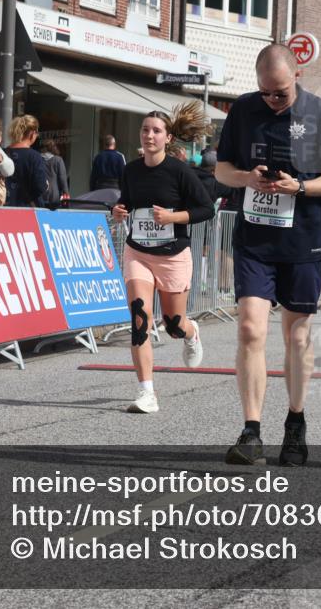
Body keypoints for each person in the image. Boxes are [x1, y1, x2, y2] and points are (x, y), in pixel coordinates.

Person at [214, 44, 321, 467]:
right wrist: (245, 178)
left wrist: (301, 187)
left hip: (304, 240)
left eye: (281, 93)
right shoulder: (243, 111)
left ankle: (295, 420)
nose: (273, 100)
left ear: (297, 77)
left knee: (296, 335)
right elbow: (222, 169)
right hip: (255, 239)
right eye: (266, 92)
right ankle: (251, 431)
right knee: (251, 330)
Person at [111, 102, 215, 413]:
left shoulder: (180, 171)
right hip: (138, 252)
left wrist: (173, 218)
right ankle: (147, 393)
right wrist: (117, 210)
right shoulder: (130, 169)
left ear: (168, 138)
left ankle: (191, 332)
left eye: (156, 131)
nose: (149, 135)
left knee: (173, 325)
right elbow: (126, 202)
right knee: (140, 319)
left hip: (172, 256)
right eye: (145, 130)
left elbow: (206, 209)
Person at [4, 115, 48, 208]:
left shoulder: (3, 153)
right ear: (32, 134)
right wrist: (46, 185)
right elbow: (40, 187)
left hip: (5, 207)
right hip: (29, 210)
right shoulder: (35, 157)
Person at [40, 139, 69, 206]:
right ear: (54, 148)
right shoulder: (58, 160)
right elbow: (63, 179)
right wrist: (66, 194)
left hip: (41, 194)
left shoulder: (37, 159)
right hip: (54, 195)